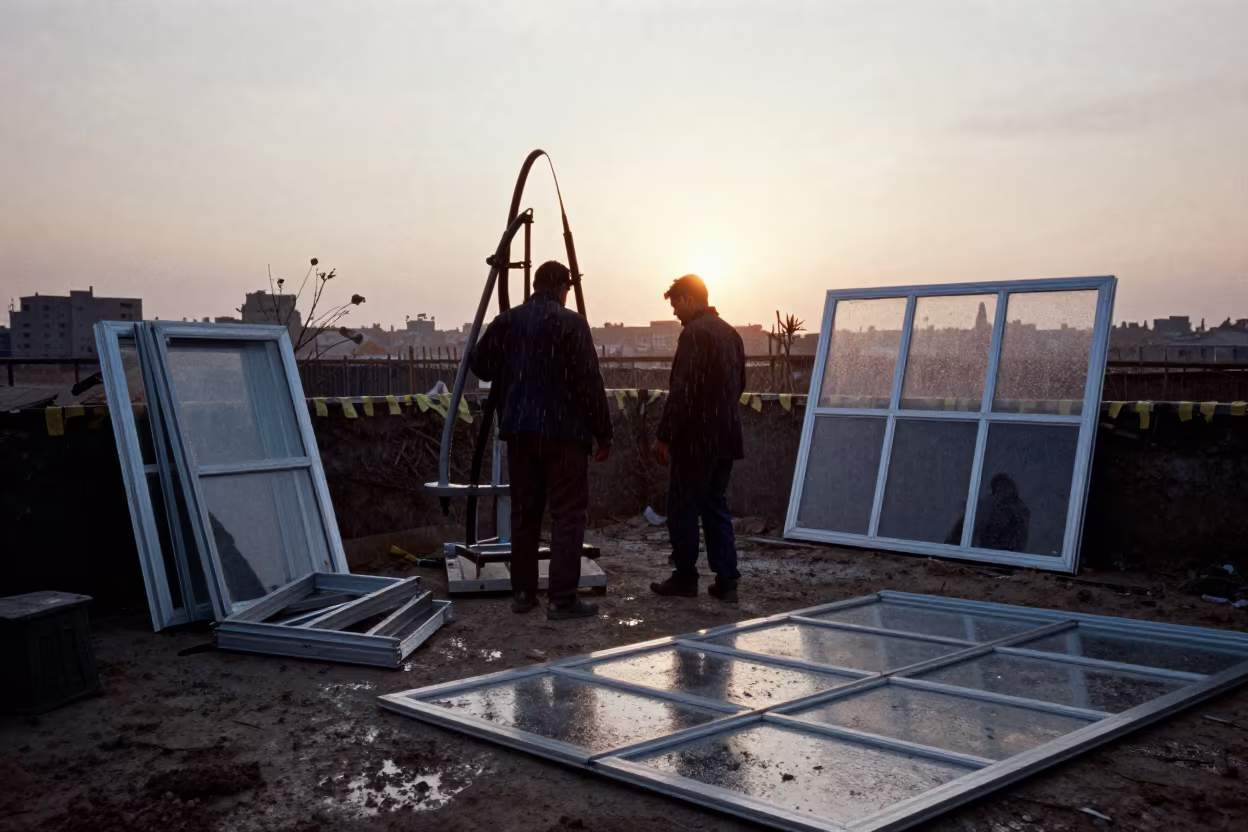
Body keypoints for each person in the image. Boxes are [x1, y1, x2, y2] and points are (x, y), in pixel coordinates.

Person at [470, 260, 613, 619]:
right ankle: (562, 599)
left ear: (535, 285)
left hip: (520, 432)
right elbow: (589, 382)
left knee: (525, 513)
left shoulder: (509, 321)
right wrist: (604, 433)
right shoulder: (571, 323)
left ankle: (523, 594)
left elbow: (481, 365)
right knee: (567, 515)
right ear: (563, 287)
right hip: (564, 436)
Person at [650, 274, 746, 602]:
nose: (675, 312)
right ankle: (727, 580)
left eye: (676, 304)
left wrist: (665, 436)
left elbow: (683, 392)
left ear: (690, 299)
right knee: (715, 506)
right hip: (726, 438)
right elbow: (740, 385)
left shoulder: (694, 334)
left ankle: (685, 576)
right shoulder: (731, 334)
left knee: (682, 507)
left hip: (696, 441)